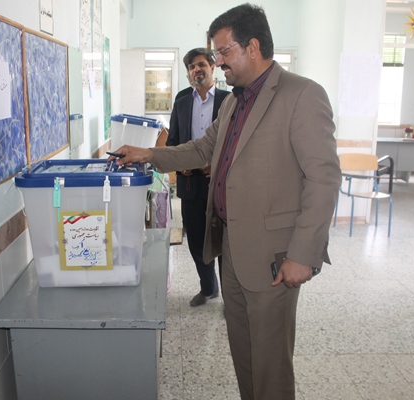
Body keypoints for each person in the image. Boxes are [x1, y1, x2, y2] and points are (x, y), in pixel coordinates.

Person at [109, 3, 341, 399]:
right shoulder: (235, 101)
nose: (217, 62)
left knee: (270, 362)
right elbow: (201, 149)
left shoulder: (301, 95)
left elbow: (324, 178)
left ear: (253, 47)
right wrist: (148, 154)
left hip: (274, 256)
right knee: (244, 353)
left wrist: (303, 254)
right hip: (231, 248)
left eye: (223, 52)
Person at [167, 48, 230, 307]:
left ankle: (230, 299)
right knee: (195, 240)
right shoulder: (182, 103)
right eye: (192, 66)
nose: (197, 70)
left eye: (201, 64)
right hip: (190, 184)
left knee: (225, 243)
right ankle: (208, 288)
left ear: (212, 68)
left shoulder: (229, 100)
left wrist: (217, 164)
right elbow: (172, 142)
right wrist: (179, 163)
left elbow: (237, 143)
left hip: (222, 185)